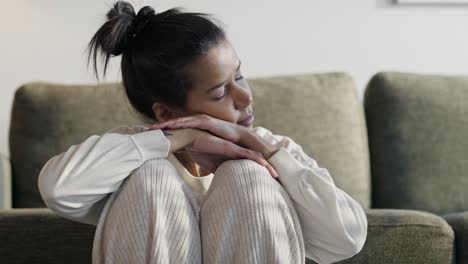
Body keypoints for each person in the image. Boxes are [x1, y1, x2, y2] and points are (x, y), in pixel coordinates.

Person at [37, 1, 368, 264]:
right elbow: (57, 188)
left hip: (255, 172)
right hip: (149, 169)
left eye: (239, 76)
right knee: (151, 174)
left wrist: (257, 147)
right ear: (167, 112)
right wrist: (173, 139)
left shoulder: (273, 150)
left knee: (246, 173)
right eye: (220, 92)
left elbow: (349, 237)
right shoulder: (131, 152)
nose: (245, 97)